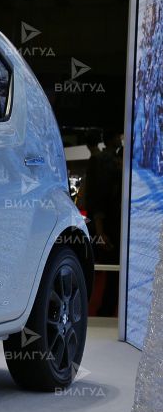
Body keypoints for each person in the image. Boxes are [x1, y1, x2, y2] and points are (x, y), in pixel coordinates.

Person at [85, 129, 123, 317]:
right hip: (110, 224)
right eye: (118, 136)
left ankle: (107, 310)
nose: (120, 139)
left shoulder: (104, 160)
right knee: (112, 271)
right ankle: (106, 311)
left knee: (111, 272)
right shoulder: (105, 161)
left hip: (108, 223)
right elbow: (100, 197)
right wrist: (100, 229)